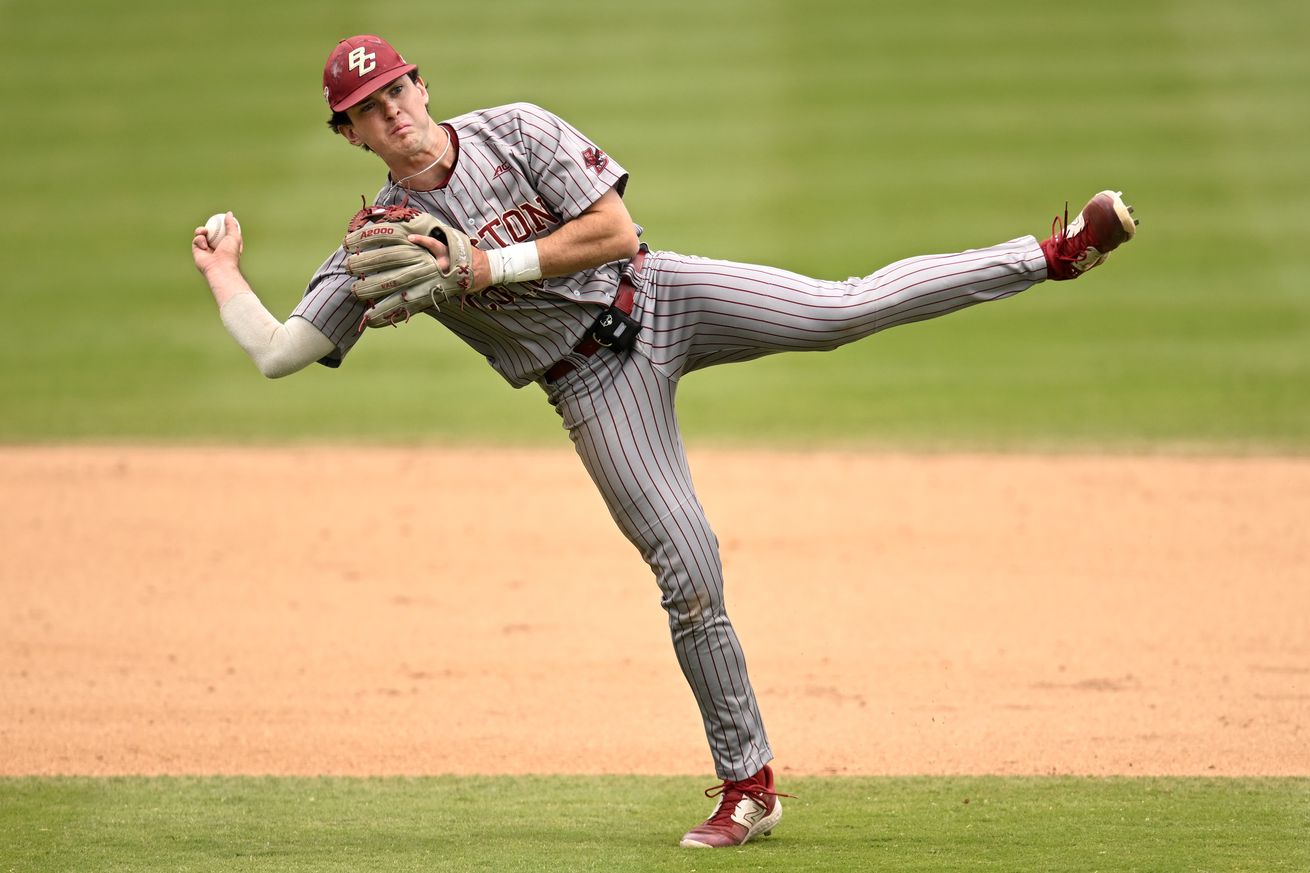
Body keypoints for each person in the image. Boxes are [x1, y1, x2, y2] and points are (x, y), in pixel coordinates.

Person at [191, 34, 1138, 849]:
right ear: (349, 135)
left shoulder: (516, 128)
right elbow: (280, 353)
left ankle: (1049, 255)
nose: (391, 111)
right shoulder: (378, 237)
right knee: (689, 572)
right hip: (593, 386)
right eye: (366, 107)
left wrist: (483, 265)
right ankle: (749, 785)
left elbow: (614, 230)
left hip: (665, 291)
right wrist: (226, 273)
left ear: (423, 87)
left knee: (839, 308)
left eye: (397, 88)